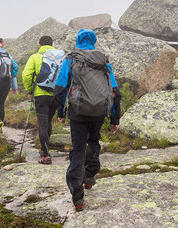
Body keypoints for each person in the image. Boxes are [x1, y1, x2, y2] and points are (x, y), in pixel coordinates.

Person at [53, 29, 121, 212]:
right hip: (99, 112)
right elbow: (115, 92)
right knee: (94, 140)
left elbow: (59, 89)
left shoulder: (71, 60)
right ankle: (90, 176)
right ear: (94, 41)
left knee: (78, 149)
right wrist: (115, 118)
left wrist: (60, 112)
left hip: (77, 112)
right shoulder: (104, 62)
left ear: (77, 40)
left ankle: (77, 195)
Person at [22, 35, 58, 165]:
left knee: (42, 123)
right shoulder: (58, 58)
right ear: (52, 44)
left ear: (39, 45)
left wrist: (29, 89)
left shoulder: (35, 57)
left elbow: (26, 75)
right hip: (55, 94)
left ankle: (46, 155)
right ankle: (44, 149)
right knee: (48, 121)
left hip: (40, 94)